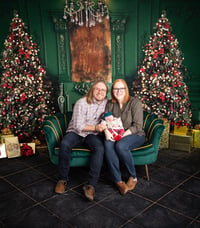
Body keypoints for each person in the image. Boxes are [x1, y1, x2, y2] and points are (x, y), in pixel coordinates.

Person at [55, 80, 108, 201]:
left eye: (103, 90)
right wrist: (96, 127)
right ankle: (62, 179)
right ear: (92, 90)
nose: (100, 92)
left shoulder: (107, 103)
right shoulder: (81, 102)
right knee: (64, 144)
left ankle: (91, 185)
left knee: (99, 148)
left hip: (92, 135)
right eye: (97, 89)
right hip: (76, 132)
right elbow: (79, 126)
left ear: (106, 93)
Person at [104, 79, 145, 195]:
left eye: (121, 89)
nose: (118, 91)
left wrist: (122, 135)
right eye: (115, 89)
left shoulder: (134, 102)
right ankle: (118, 181)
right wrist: (107, 132)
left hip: (135, 134)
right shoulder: (110, 103)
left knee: (121, 146)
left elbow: (138, 126)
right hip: (115, 134)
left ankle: (133, 176)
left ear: (125, 89)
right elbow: (105, 121)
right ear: (112, 91)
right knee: (107, 144)